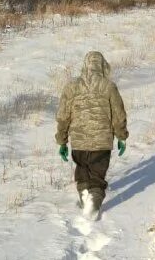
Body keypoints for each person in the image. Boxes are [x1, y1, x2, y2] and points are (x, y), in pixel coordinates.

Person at [55, 51, 128, 218]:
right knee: (97, 175)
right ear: (102, 66)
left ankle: (84, 194)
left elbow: (63, 116)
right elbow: (119, 114)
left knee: (82, 171)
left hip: (79, 143)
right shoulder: (109, 86)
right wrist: (121, 136)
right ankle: (93, 200)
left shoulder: (71, 87)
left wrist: (62, 141)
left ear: (85, 66)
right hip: (102, 142)